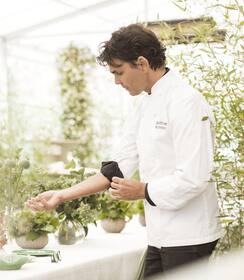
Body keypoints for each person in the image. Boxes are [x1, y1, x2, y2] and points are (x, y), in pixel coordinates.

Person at [26, 24, 221, 278]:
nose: (116, 81)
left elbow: (194, 176)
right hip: (161, 234)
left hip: (189, 235)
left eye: (119, 72)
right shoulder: (144, 104)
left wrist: (143, 190)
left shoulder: (187, 102)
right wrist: (61, 196)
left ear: (141, 63)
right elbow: (116, 169)